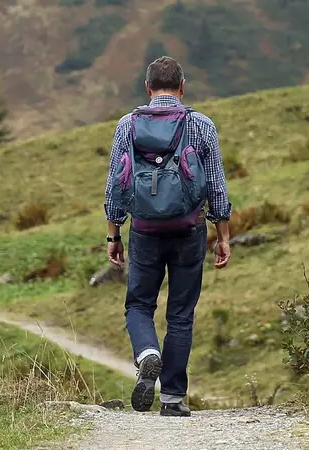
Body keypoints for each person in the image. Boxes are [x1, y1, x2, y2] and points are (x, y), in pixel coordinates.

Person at [103, 56, 232, 417]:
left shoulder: (127, 125)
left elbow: (116, 184)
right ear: (182, 86)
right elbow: (217, 186)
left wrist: (113, 234)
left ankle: (147, 353)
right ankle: (173, 398)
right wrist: (222, 235)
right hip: (189, 229)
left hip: (144, 230)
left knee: (139, 304)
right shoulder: (201, 125)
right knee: (181, 314)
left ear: (147, 88)